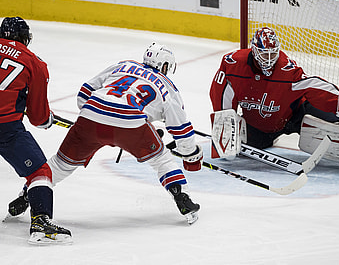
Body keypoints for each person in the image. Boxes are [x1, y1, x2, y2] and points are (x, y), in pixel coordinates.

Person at [8, 42, 203, 225]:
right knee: (162, 160)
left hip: (91, 115)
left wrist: (90, 119)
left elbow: (85, 91)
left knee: (59, 164)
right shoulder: (168, 87)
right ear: (166, 65)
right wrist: (191, 154)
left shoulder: (124, 65)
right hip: (131, 123)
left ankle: (25, 196)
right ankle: (181, 196)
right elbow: (182, 132)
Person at [209, 26, 339, 175]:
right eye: (264, 54)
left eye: (273, 53)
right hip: (260, 127)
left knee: (332, 129)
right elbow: (220, 94)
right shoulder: (233, 64)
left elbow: (313, 87)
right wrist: (223, 127)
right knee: (247, 144)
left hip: (295, 114)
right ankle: (263, 138)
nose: (269, 59)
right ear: (254, 50)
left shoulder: (286, 69)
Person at [0, 16, 72, 245]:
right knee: (40, 171)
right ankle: (41, 221)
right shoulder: (34, 62)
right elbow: (38, 117)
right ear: (25, 38)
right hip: (6, 128)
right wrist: (46, 120)